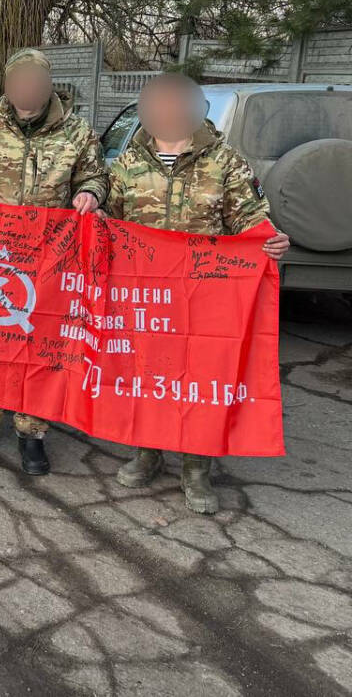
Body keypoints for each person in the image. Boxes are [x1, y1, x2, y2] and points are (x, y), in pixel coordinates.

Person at [105, 72, 289, 513]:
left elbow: (250, 217)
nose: (167, 114)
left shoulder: (226, 162)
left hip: (206, 294)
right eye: (159, 106)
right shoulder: (128, 163)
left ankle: (196, 469)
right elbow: (108, 223)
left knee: (200, 381)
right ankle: (147, 453)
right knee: (147, 376)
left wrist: (270, 239)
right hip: (145, 297)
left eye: (176, 105)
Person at [0, 47, 108, 475]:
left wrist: (91, 192)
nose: (27, 88)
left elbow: (95, 174)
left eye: (36, 79)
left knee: (40, 342)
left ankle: (31, 431)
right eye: (19, 79)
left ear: (48, 83)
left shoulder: (77, 133)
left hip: (51, 257)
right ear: (8, 83)